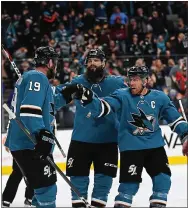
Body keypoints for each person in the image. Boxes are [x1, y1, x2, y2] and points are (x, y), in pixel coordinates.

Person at [73, 66, 188, 208]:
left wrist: (186, 135)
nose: (131, 83)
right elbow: (105, 106)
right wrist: (90, 99)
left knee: (163, 180)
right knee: (128, 188)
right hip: (131, 148)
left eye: (136, 80)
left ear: (146, 80)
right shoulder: (122, 95)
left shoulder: (160, 97)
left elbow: (175, 120)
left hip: (155, 147)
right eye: (130, 79)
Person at [55, 48, 127, 207]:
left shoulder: (117, 83)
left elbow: (131, 103)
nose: (92, 63)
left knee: (102, 190)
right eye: (90, 60)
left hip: (107, 143)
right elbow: (57, 99)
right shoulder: (77, 82)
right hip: (81, 141)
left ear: (104, 63)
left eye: (96, 60)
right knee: (78, 191)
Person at [5, 46, 60, 208]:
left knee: (37, 192)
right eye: (55, 62)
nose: (55, 66)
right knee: (47, 189)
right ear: (50, 62)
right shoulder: (37, 77)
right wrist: (42, 135)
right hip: (30, 144)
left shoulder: (30, 78)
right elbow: (29, 111)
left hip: (25, 143)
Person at [2, 135, 34, 207]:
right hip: (21, 146)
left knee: (26, 172)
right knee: (20, 172)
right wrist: (8, 141)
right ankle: (29, 198)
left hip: (26, 145)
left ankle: (29, 197)